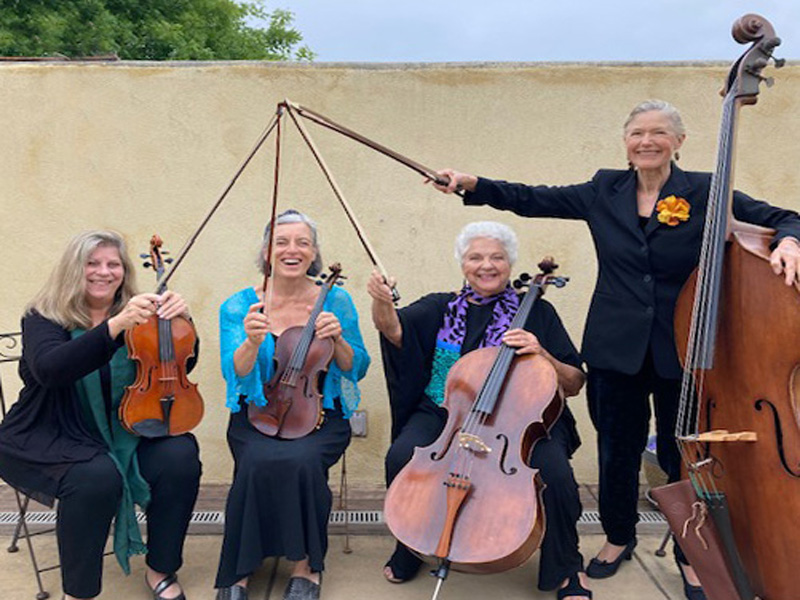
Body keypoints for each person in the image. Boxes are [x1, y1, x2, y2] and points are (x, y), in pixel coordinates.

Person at [431, 99, 800, 600]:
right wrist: (472, 184)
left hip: (684, 346)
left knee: (684, 456)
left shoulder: (706, 190)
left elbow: (782, 216)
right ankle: (619, 537)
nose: (647, 142)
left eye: (658, 133)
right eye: (637, 134)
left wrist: (789, 241)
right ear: (625, 142)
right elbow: (533, 197)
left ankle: (691, 554)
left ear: (678, 142)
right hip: (614, 346)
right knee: (617, 451)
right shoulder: (605, 188)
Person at [368, 221, 591, 600]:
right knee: (402, 456)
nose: (486, 265)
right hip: (448, 412)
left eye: (496, 257)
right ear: (463, 264)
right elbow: (394, 331)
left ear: (509, 264)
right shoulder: (440, 306)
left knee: (557, 477)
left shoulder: (537, 311)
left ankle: (567, 567)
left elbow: (573, 382)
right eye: (476, 257)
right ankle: (411, 546)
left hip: (522, 420)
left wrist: (543, 354)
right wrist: (381, 301)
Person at [0, 230, 202, 600]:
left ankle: (160, 567)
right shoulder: (44, 317)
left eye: (113, 264)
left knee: (180, 455)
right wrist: (115, 326)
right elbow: (51, 369)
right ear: (73, 270)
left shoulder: (140, 314)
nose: (103, 272)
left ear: (124, 271)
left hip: (125, 425)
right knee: (95, 478)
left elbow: (181, 361)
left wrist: (179, 321)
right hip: (53, 431)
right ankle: (77, 592)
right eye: (92, 263)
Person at [214, 210, 370, 600]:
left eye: (302, 242)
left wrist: (340, 342)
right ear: (267, 251)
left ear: (314, 253)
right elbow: (233, 373)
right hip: (257, 410)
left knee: (301, 462)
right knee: (254, 463)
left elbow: (358, 367)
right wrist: (251, 341)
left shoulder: (335, 300)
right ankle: (239, 571)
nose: (291, 250)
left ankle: (306, 568)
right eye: (282, 241)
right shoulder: (239, 306)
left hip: (320, 413)